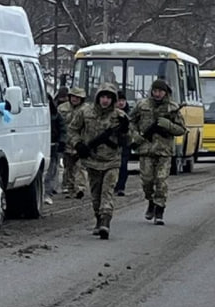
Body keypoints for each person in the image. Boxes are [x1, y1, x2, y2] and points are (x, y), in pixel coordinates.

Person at [68, 83, 128, 239]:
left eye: (109, 97)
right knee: (95, 195)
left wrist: (125, 130)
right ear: (98, 98)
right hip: (92, 160)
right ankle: (98, 219)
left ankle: (105, 223)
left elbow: (130, 139)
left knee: (107, 192)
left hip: (112, 160)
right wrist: (78, 144)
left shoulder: (119, 116)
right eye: (103, 97)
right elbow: (72, 129)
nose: (105, 100)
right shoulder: (85, 112)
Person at [128, 78, 186, 225]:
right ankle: (151, 201)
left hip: (164, 152)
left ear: (165, 92)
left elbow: (181, 130)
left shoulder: (172, 108)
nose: (157, 94)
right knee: (147, 181)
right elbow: (130, 121)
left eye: (160, 91)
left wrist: (168, 126)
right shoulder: (142, 105)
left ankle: (159, 210)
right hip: (146, 150)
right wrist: (135, 135)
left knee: (161, 181)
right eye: (155, 91)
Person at [58, 87, 87, 199]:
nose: (75, 99)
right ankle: (69, 187)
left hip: (81, 142)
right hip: (67, 142)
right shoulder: (62, 108)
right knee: (68, 167)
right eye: (73, 96)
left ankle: (80, 188)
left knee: (81, 167)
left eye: (78, 97)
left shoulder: (87, 109)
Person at [45, 81, 64, 205]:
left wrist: (62, 142)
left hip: (53, 145)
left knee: (51, 171)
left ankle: (47, 193)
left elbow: (63, 129)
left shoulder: (56, 116)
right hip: (40, 145)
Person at [113, 91, 133, 196]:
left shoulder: (129, 114)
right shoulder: (111, 114)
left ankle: (121, 187)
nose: (121, 103)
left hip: (125, 144)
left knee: (123, 165)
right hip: (112, 144)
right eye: (118, 101)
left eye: (123, 100)